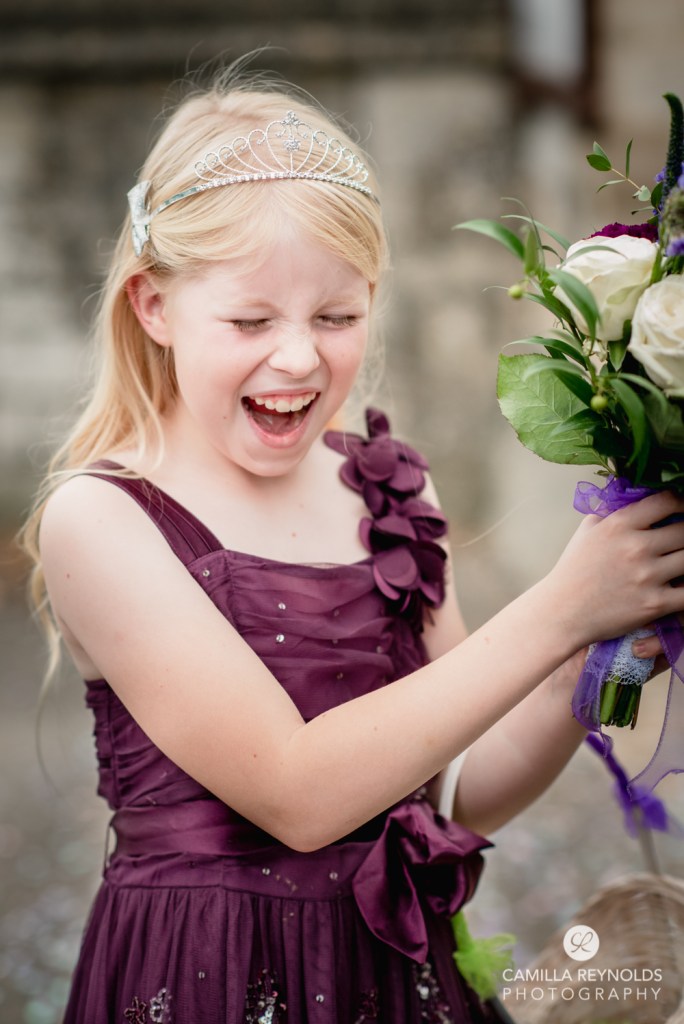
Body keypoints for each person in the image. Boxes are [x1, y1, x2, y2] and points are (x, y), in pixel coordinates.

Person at [20, 62, 684, 1024]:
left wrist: (589, 650)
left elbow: (458, 792)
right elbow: (297, 792)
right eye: (250, 319)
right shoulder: (102, 516)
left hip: (396, 974)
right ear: (153, 306)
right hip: (208, 974)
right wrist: (559, 607)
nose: (299, 356)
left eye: (337, 315)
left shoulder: (387, 484)